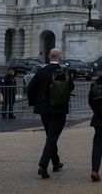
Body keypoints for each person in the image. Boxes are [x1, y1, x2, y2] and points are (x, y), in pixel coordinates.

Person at [27, 48, 75, 178]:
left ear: (49, 57)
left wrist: (37, 102)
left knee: (50, 136)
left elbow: (30, 88)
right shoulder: (64, 71)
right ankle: (43, 165)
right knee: (52, 137)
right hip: (59, 109)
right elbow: (71, 87)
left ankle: (56, 162)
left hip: (44, 109)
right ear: (60, 57)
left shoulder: (41, 71)